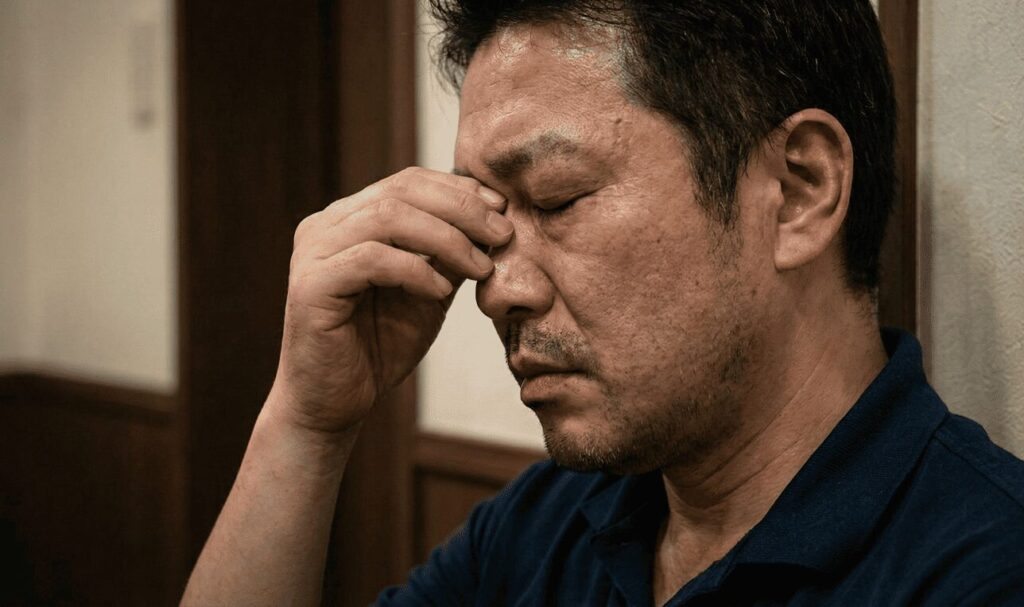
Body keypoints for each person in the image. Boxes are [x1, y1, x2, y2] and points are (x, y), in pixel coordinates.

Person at [182, 1, 1024, 605]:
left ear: (798, 190)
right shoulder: (551, 525)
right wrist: (307, 423)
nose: (498, 289)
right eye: (489, 217)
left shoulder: (980, 568)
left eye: (556, 200)